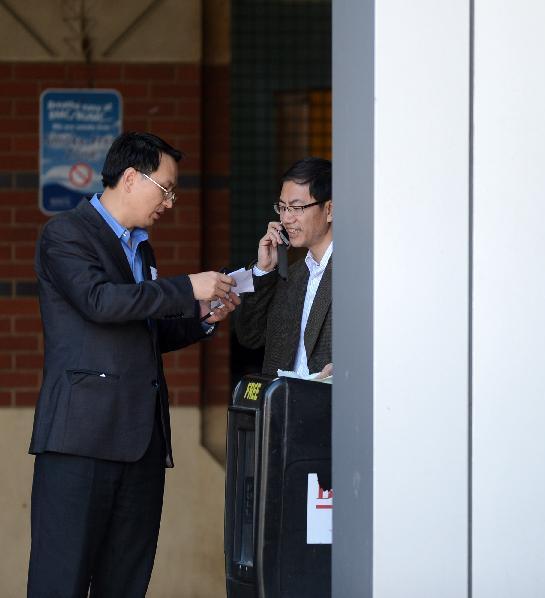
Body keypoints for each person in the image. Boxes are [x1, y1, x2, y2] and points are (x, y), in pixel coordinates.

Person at [27, 131, 240, 597]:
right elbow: (100, 302)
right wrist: (187, 288)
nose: (170, 202)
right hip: (79, 443)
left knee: (125, 583)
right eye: (166, 189)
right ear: (129, 178)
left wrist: (201, 317)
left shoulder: (141, 246)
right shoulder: (65, 234)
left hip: (140, 444)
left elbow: (142, 330)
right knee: (58, 582)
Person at [234, 157, 333, 379]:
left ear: (329, 210)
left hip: (331, 408)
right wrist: (263, 269)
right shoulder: (291, 276)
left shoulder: (355, 274)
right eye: (282, 207)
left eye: (297, 208)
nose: (286, 218)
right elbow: (250, 336)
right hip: (284, 407)